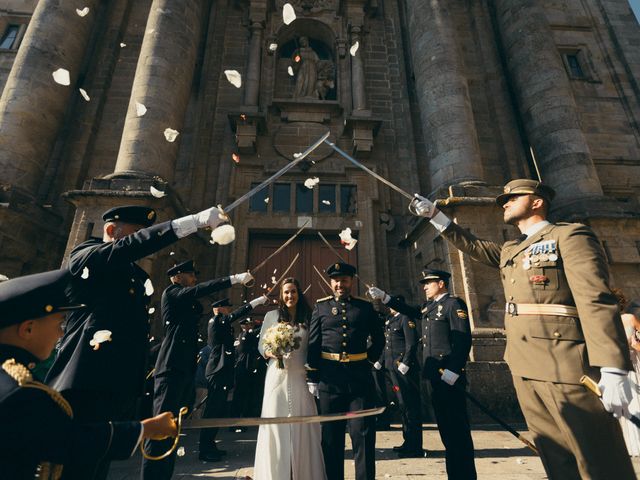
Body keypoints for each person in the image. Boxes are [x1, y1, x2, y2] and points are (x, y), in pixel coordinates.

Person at [407, 179, 637, 479]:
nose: (504, 202)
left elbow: (596, 300)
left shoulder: (569, 236)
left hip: (567, 364)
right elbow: (474, 246)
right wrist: (435, 216)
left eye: (513, 197)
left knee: (597, 457)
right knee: (556, 458)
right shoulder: (512, 249)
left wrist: (612, 367)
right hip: (524, 364)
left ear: (538, 201)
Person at [45, 204, 229, 479]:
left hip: (117, 386)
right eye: (135, 234)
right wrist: (191, 222)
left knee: (98, 466)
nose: (140, 241)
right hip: (86, 381)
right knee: (73, 467)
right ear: (110, 230)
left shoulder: (135, 275)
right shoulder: (86, 255)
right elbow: (123, 250)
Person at [0, 269, 177, 479]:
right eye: (58, 322)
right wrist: (145, 429)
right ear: (28, 329)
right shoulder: (18, 392)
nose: (61, 332)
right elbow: (70, 442)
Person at [142, 260, 253, 479]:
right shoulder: (172, 292)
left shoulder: (186, 301)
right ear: (178, 276)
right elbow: (200, 291)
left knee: (173, 428)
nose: (194, 279)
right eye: (191, 275)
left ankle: (163, 474)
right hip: (170, 367)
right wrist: (234, 278)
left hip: (184, 369)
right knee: (160, 429)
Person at [370, 272, 476, 476]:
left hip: (449, 376)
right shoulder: (431, 307)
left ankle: (465, 475)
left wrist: (454, 370)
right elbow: (409, 310)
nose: (425, 287)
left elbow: (463, 340)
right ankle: (456, 474)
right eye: (424, 284)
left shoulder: (454, 305)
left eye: (428, 283)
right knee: (447, 432)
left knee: (458, 431)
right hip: (435, 376)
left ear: (441, 283)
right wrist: (384, 297)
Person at [307, 263, 385, 480]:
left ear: (352, 281)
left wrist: (367, 360)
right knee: (331, 439)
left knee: (363, 435)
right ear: (331, 283)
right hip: (330, 381)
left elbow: (379, 339)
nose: (340, 284)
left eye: (344, 280)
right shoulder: (321, 307)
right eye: (336, 280)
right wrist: (312, 375)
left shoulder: (365, 307)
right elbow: (313, 344)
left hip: (360, 381)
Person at [253, 277, 327, 480]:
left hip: (301, 376)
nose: (290, 296)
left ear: (299, 293)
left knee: (303, 424)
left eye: (293, 291)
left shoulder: (309, 316)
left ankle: (302, 472)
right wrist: (272, 352)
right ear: (281, 295)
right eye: (286, 292)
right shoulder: (271, 316)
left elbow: (315, 346)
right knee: (276, 424)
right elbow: (261, 346)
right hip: (276, 376)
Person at [199, 295, 268, 461]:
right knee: (212, 411)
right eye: (227, 308)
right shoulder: (216, 321)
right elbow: (236, 315)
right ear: (219, 309)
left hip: (222, 371)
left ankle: (210, 444)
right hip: (218, 371)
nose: (229, 310)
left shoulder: (222, 323)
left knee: (216, 411)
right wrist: (257, 301)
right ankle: (205, 448)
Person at [373, 296, 423, 459]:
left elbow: (411, 342)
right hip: (392, 368)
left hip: (403, 369)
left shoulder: (405, 318)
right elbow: (388, 345)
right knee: (403, 405)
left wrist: (406, 362)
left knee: (410, 406)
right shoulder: (391, 320)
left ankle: (414, 445)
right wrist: (381, 362)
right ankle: (407, 441)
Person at [230, 318, 262, 425]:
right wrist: (263, 325)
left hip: (244, 369)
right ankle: (237, 421)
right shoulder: (244, 336)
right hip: (243, 369)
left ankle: (240, 420)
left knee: (244, 396)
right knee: (241, 397)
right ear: (244, 326)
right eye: (249, 325)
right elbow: (253, 335)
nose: (251, 327)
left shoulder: (244, 336)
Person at [620, 299, 640, 455]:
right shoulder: (630, 319)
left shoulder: (605, 320)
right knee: (632, 403)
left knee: (624, 403)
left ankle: (626, 445)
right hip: (629, 367)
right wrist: (634, 345)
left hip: (619, 365)